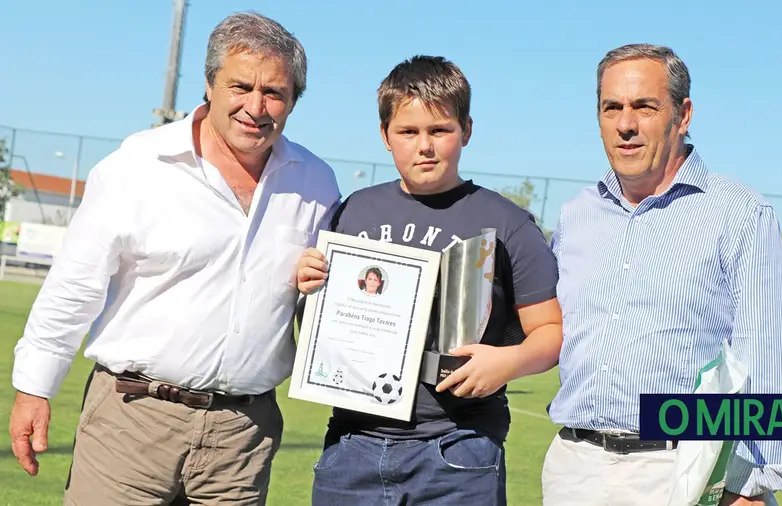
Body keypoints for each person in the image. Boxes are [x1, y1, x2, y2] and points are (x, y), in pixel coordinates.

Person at [8, 12, 341, 505]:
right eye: (241, 86)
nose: (256, 106)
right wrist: (35, 388)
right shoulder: (137, 166)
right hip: (132, 419)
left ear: (293, 101)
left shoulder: (315, 183)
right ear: (210, 85)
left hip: (243, 436)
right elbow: (74, 286)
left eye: (274, 92)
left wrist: (319, 284)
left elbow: (324, 302)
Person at [541, 44, 782, 506]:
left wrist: (751, 481)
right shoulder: (575, 215)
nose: (625, 123)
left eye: (644, 106)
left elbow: (767, 353)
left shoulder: (739, 212)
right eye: (612, 107)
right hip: (572, 468)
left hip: (681, 471)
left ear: (683, 115)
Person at [295, 55, 563, 505]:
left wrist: (507, 363)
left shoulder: (506, 221)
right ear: (385, 136)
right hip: (352, 441)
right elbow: (318, 325)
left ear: (466, 131)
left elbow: (550, 333)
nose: (425, 146)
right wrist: (308, 284)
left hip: (456, 446)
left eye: (440, 130)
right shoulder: (352, 211)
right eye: (408, 131)